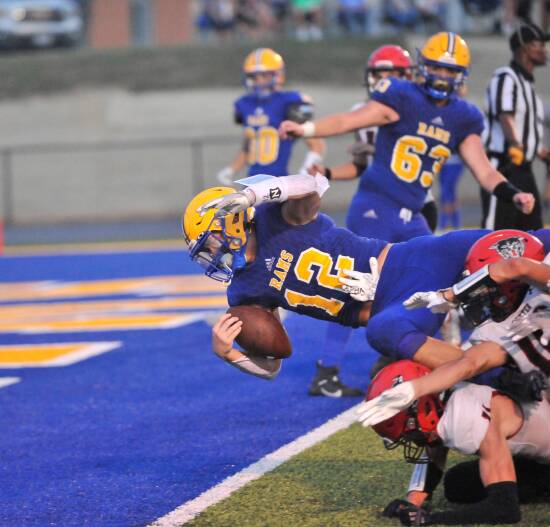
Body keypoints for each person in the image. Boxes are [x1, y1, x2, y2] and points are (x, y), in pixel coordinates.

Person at [181, 173, 548, 382]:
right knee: (384, 334)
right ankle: (507, 377)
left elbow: (313, 184)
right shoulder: (245, 291)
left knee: (527, 244)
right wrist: (229, 354)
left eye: (209, 242)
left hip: (410, 262)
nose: (211, 254)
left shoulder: (275, 218)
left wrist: (252, 194)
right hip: (393, 307)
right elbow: (273, 366)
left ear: (228, 221)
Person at [280, 32, 535, 241]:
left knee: (428, 283)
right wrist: (306, 130)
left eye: (450, 71)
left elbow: (485, 171)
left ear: (461, 74)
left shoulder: (464, 116)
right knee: (367, 287)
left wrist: (513, 194)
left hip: (414, 214)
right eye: (436, 68)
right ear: (424, 66)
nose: (442, 77)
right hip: (376, 205)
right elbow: (346, 121)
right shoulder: (402, 96)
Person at [310, 45, 438, 398]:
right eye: (379, 74)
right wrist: (331, 171)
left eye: (391, 74)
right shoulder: (368, 111)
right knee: (357, 286)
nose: (384, 81)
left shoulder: (426, 107)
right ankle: (327, 369)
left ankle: (405, 356)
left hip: (416, 208)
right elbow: (368, 164)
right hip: (378, 207)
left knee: (431, 282)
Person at [362, 358, 550, 525]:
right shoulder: (449, 393)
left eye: (409, 434)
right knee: (457, 484)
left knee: (494, 490)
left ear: (425, 409)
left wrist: (430, 520)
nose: (411, 440)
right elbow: (435, 445)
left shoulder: (466, 416)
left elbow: (505, 509)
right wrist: (412, 502)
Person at [216, 48, 325, 187]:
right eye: (254, 77)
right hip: (251, 182)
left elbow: (317, 144)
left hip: (277, 182)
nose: (259, 81)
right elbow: (249, 144)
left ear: (278, 76)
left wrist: (307, 167)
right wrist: (232, 169)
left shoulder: (288, 102)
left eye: (264, 76)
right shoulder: (244, 104)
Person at [481, 21, 550, 231]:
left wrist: (541, 152)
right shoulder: (506, 77)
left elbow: (526, 127)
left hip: (524, 170)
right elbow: (505, 114)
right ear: (524, 47)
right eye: (539, 44)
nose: (544, 50)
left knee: (533, 234)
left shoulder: (529, 88)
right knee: (495, 233)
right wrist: (514, 144)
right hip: (504, 166)